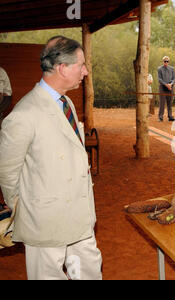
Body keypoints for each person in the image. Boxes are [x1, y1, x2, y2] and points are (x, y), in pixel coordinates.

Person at [0, 36, 102, 280]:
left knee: (87, 271)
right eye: (81, 65)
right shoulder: (24, 114)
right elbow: (7, 173)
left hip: (79, 215)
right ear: (62, 68)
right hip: (45, 222)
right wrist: (30, 210)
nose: (85, 71)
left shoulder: (66, 102)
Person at [157, 56, 175, 122]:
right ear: (163, 61)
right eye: (165, 61)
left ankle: (170, 116)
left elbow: (174, 79)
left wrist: (170, 84)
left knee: (170, 102)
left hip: (170, 87)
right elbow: (159, 79)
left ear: (169, 62)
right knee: (162, 102)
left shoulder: (172, 69)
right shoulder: (159, 69)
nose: (166, 62)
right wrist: (166, 84)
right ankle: (160, 117)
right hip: (162, 87)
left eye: (167, 61)